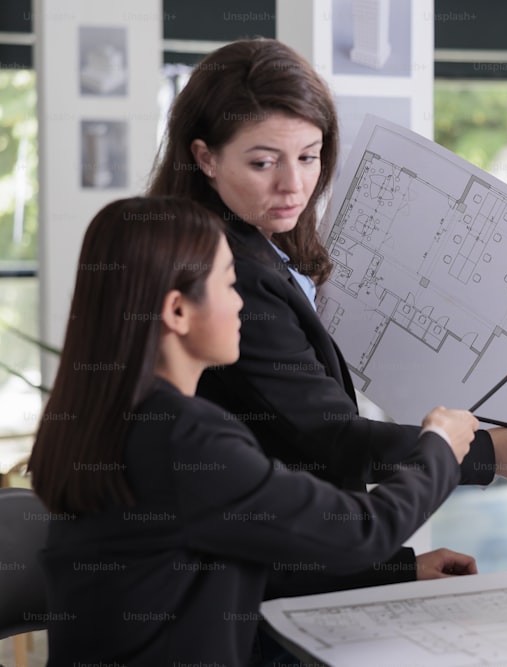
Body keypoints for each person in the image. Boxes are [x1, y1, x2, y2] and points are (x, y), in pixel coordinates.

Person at [147, 38, 507, 582]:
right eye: (264, 161)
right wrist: (479, 452)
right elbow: (327, 440)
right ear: (205, 158)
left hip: (281, 574)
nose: (293, 185)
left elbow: (285, 489)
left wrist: (397, 569)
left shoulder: (262, 247)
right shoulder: (231, 273)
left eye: (309, 157)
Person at [27, 197, 479, 664]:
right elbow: (358, 531)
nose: (243, 302)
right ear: (178, 311)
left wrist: (402, 569)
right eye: (228, 284)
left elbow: (260, 554)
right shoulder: (182, 437)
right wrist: (440, 447)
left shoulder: (107, 418)